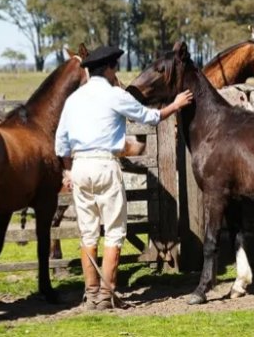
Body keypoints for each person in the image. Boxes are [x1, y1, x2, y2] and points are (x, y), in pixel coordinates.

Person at [55, 46, 192, 310]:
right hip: (105, 164)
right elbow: (149, 117)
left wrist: (68, 170)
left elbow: (61, 143)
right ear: (108, 69)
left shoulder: (74, 99)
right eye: (114, 67)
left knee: (88, 233)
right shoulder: (114, 94)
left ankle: (91, 294)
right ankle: (107, 295)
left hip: (80, 167)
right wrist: (175, 105)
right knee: (115, 232)